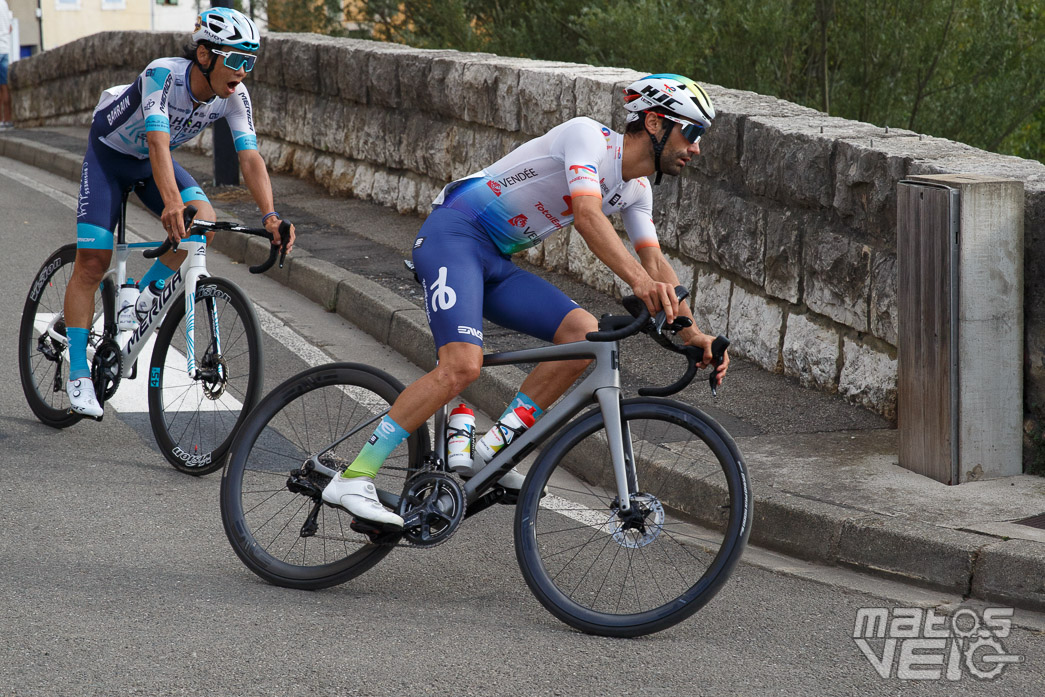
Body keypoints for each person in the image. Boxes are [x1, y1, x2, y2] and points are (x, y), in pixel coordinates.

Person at [322, 73, 730, 528]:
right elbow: (587, 215)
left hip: (494, 261)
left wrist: (693, 334)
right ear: (655, 123)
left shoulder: (637, 190)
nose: (695, 148)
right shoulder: (587, 137)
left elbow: (656, 265)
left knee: (582, 336)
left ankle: (489, 449)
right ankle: (353, 477)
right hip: (452, 235)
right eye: (691, 133)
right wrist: (638, 283)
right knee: (462, 366)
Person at [63, 8, 295, 418]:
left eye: (250, 63)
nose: (243, 72)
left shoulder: (235, 96)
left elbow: (251, 157)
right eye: (236, 60)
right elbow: (156, 142)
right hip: (110, 157)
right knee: (93, 261)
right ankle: (79, 372)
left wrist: (271, 216)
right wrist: (171, 202)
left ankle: (146, 294)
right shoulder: (163, 76)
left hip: (153, 161)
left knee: (200, 220)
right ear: (205, 55)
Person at [0, 0, 13, 129]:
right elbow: (10, 27)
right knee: (4, 86)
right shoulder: (4, 4)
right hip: (5, 48)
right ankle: (7, 120)